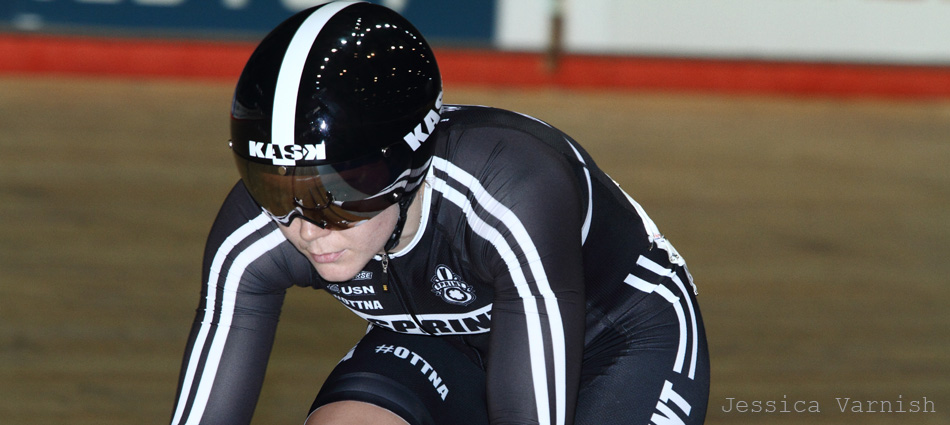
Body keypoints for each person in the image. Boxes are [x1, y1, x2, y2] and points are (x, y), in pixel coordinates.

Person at [168, 2, 709, 424]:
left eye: (339, 193)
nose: (306, 229)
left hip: (613, 342)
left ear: (406, 169)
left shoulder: (510, 191)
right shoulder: (261, 229)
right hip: (437, 339)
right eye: (276, 190)